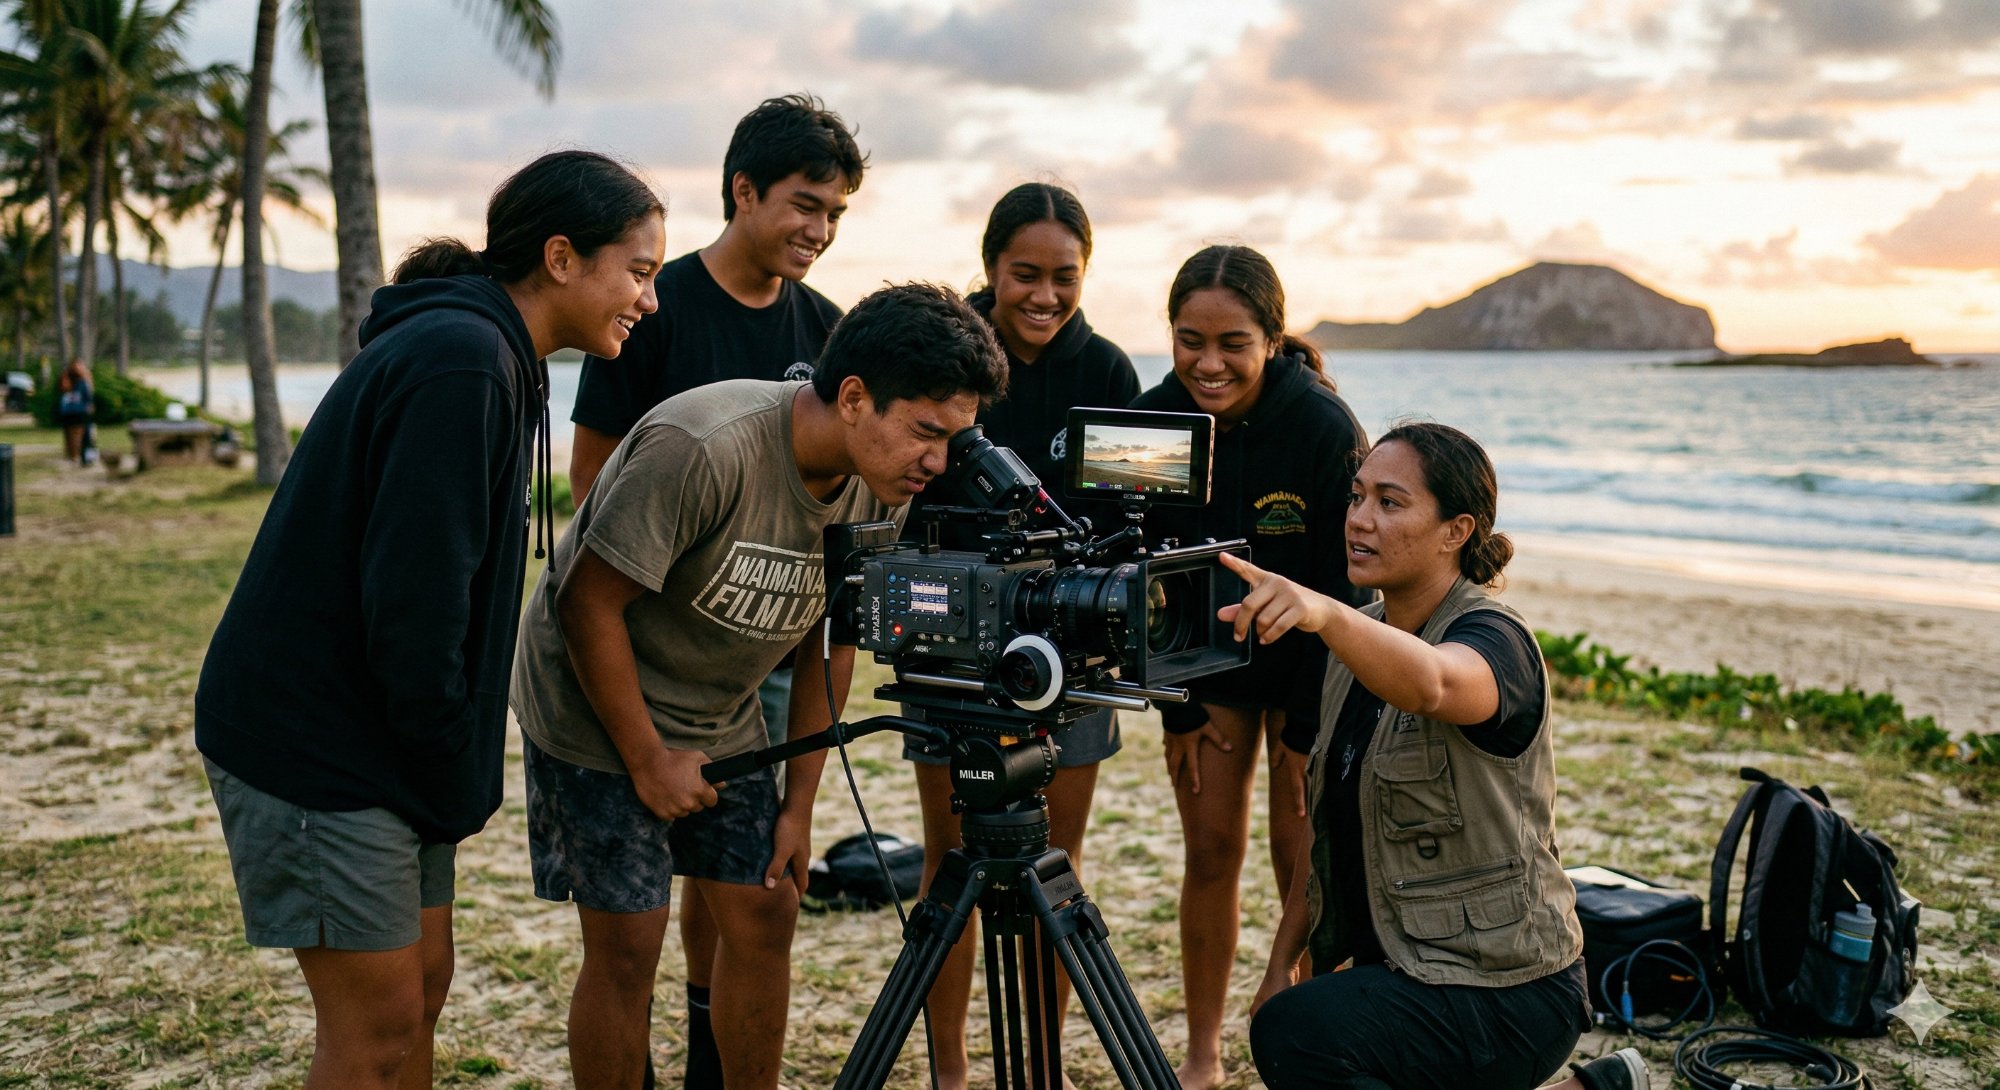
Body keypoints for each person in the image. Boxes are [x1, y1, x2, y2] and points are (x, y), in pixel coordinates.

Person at [194, 149, 666, 1090]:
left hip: (388, 746)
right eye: (640, 272)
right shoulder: (462, 361)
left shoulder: (494, 355)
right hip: (319, 744)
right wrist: (444, 759)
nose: (649, 301)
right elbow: (415, 605)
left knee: (424, 989)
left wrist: (443, 773)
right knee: (374, 1029)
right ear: (563, 257)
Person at [509, 283, 1008, 1090]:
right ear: (853, 398)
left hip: (719, 710)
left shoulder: (881, 491)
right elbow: (585, 603)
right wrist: (645, 759)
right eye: (925, 431)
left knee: (769, 905)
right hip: (593, 705)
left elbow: (831, 643)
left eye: (956, 439)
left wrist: (799, 808)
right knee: (630, 943)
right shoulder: (705, 444)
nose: (940, 463)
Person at [565, 97, 866, 1085]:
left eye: (834, 214)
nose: (817, 230)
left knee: (755, 900)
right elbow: (590, 490)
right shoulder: (656, 306)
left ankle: (710, 1052)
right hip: (644, 654)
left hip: (769, 661)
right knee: (630, 923)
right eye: (802, 204)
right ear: (742, 191)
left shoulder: (827, 336)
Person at [1232, 422, 1648, 1090]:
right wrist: (1282, 963)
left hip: (1509, 986)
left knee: (1300, 1036)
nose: (1360, 520)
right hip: (1407, 969)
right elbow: (1326, 837)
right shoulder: (1354, 651)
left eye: (1390, 503)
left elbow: (1435, 683)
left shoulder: (1495, 639)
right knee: (1290, 1018)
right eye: (1356, 496)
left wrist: (1330, 617)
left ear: (1456, 530)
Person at [901, 182, 1140, 1090]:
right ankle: (952, 1072)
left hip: (1066, 655)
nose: (1043, 296)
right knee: (949, 866)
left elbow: (1124, 524)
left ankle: (1038, 1068)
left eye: (1064, 277)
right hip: (947, 647)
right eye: (1024, 275)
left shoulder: (1107, 371)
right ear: (991, 265)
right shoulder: (943, 347)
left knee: (1053, 871)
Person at [1128, 244, 1372, 1090]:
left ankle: (1318, 1055)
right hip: (1209, 672)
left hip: (1311, 671)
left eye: (1233, 341)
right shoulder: (1155, 415)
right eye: (1189, 338)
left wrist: (1310, 731)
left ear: (1272, 337)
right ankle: (1203, 1054)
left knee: (1304, 869)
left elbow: (1350, 587)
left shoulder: (1321, 426)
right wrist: (1178, 709)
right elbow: (1141, 571)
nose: (1208, 362)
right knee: (1211, 854)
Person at [55, 357, 92, 465]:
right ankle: (73, 455)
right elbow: (63, 389)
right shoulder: (67, 377)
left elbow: (88, 396)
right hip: (69, 411)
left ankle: (78, 455)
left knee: (78, 434)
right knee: (70, 434)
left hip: (79, 411)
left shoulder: (84, 380)